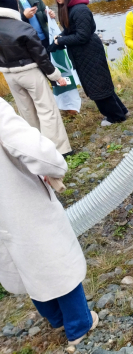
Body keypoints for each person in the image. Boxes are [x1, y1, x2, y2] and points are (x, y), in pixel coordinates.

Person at [0, 97, 98, 347]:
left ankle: (55, 318)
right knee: (53, 261)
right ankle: (78, 325)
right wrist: (55, 166)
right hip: (17, 200)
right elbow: (30, 147)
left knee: (23, 263)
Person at [47, 0, 128, 127]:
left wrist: (61, 40)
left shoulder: (80, 9)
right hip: (83, 53)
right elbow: (71, 30)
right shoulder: (70, 7)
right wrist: (60, 38)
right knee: (99, 84)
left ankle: (115, 117)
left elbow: (82, 36)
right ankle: (121, 111)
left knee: (98, 86)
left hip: (89, 52)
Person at [0, 0, 72, 155]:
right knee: (47, 109)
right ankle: (58, 150)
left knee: (26, 111)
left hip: (9, 75)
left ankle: (37, 149)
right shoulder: (23, 27)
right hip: (30, 71)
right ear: (14, 8)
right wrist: (56, 76)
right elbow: (41, 57)